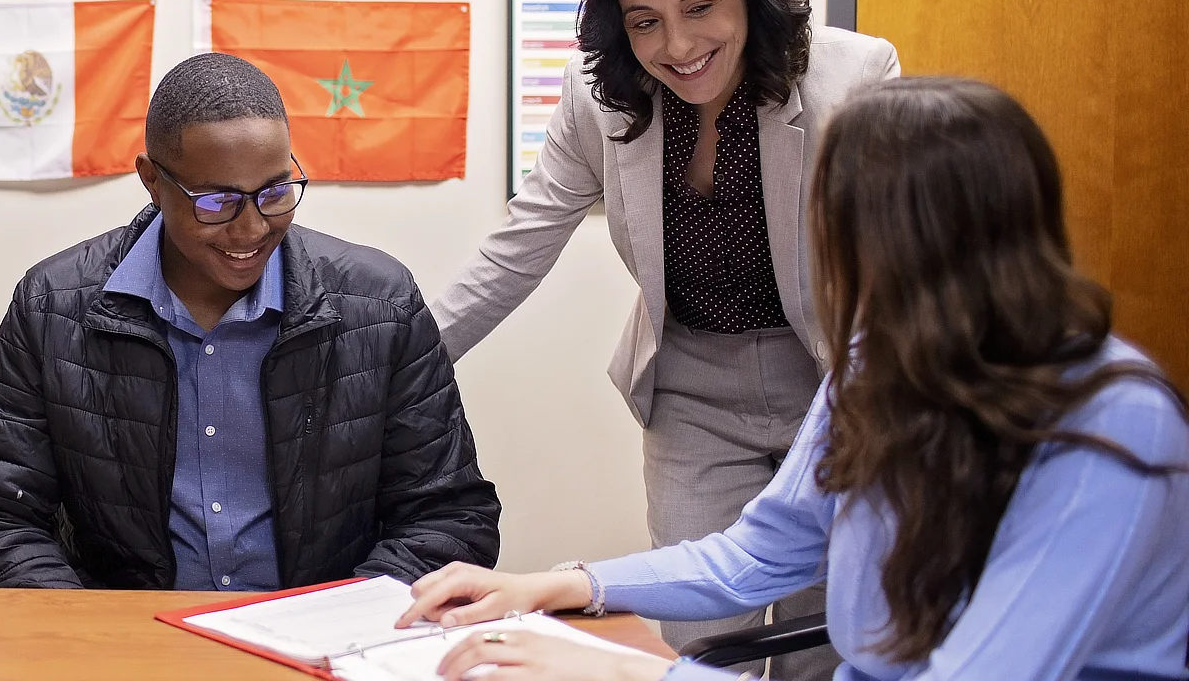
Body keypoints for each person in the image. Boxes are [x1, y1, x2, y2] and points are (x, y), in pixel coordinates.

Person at [400, 77, 1189, 681]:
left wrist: (633, 671)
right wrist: (553, 585)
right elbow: (757, 555)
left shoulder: (1116, 420)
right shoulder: (885, 361)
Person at [433, 0, 897, 673]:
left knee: (824, 640)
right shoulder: (601, 97)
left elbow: (894, 267)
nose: (676, 45)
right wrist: (392, 366)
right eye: (644, 21)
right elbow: (518, 248)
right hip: (691, 390)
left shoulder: (852, 75)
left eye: (699, 7)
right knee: (700, 643)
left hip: (829, 383)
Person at [0, 52, 500, 590]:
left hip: (323, 648)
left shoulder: (382, 305)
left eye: (277, 192)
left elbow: (449, 516)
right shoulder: (52, 308)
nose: (251, 228)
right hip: (129, 652)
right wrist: (95, 635)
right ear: (152, 180)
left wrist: (343, 622)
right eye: (215, 201)